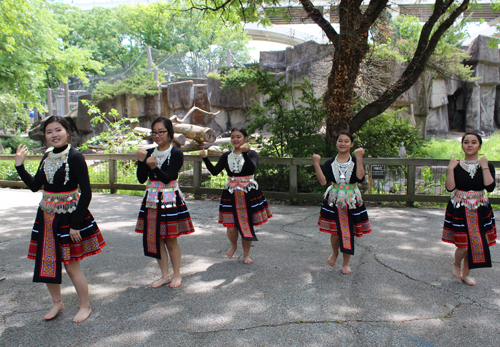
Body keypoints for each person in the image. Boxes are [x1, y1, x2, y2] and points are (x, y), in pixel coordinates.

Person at [15, 115, 105, 323]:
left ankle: (85, 305)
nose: (54, 135)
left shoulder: (75, 157)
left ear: (67, 131)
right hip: (46, 216)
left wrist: (75, 225)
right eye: (49, 131)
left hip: (68, 217)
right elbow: (35, 186)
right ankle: (57, 302)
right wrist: (20, 166)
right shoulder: (47, 156)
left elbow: (87, 193)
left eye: (58, 130)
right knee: (47, 261)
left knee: (72, 266)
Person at [136, 116, 194, 288]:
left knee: (170, 239)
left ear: (169, 133)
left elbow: (169, 178)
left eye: (161, 132)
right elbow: (141, 179)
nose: (157, 135)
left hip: (170, 198)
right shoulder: (148, 152)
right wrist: (141, 162)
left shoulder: (176, 153)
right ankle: (164, 275)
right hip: (152, 199)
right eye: (154, 132)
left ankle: (176, 274)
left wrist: (154, 167)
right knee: (156, 238)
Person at [199, 127, 272, 264]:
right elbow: (215, 171)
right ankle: (233, 245)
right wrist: (205, 159)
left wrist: (244, 154)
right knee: (231, 226)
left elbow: (251, 168)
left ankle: (246, 254)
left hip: (248, 192)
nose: (235, 139)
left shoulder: (251, 153)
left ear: (245, 138)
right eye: (233, 137)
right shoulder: (226, 155)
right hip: (231, 193)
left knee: (246, 223)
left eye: (238, 136)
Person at [312, 130, 371, 274]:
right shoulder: (329, 163)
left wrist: (360, 158)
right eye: (340, 140)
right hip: (334, 198)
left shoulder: (356, 160)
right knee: (335, 232)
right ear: (336, 142)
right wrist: (316, 164)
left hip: (351, 199)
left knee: (348, 230)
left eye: (346, 141)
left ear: (351, 144)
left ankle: (346, 263)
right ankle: (334, 252)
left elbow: (359, 177)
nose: (343, 143)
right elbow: (323, 182)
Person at [443, 132, 497, 286]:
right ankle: (456, 263)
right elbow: (450, 187)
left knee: (475, 243)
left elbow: (490, 187)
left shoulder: (487, 165)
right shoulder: (456, 165)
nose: (470, 145)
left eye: (474, 142)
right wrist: (450, 169)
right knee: (463, 245)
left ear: (479, 145)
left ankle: (465, 274)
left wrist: (485, 166)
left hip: (480, 209)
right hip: (459, 208)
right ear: (462, 146)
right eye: (466, 142)